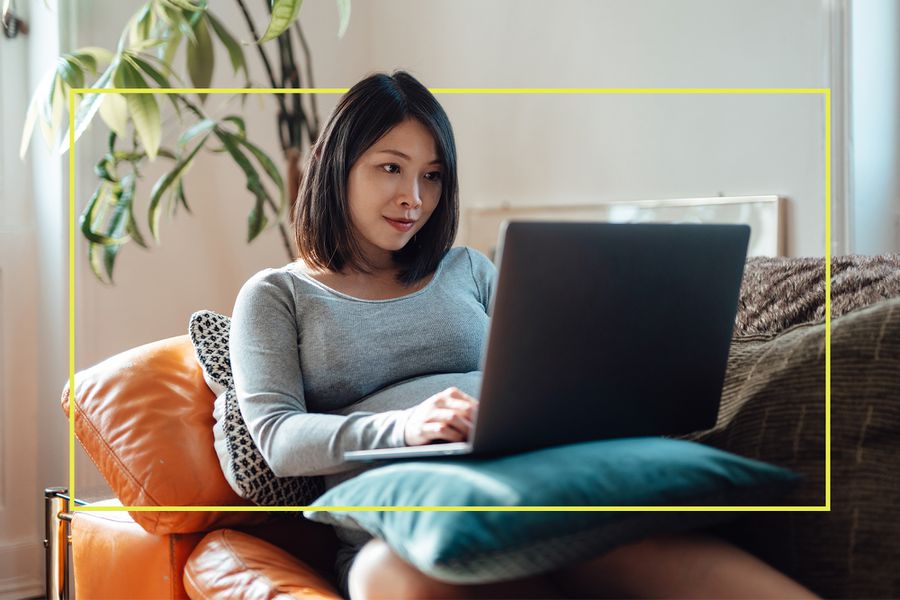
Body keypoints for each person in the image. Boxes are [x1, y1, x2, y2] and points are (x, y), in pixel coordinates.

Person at [230, 71, 818, 600]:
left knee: (644, 547)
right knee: (389, 578)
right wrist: (406, 426)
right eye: (391, 167)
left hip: (531, 492)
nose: (415, 197)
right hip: (410, 527)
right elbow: (278, 438)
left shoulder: (467, 270)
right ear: (337, 166)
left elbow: (535, 379)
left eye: (432, 177)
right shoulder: (278, 294)